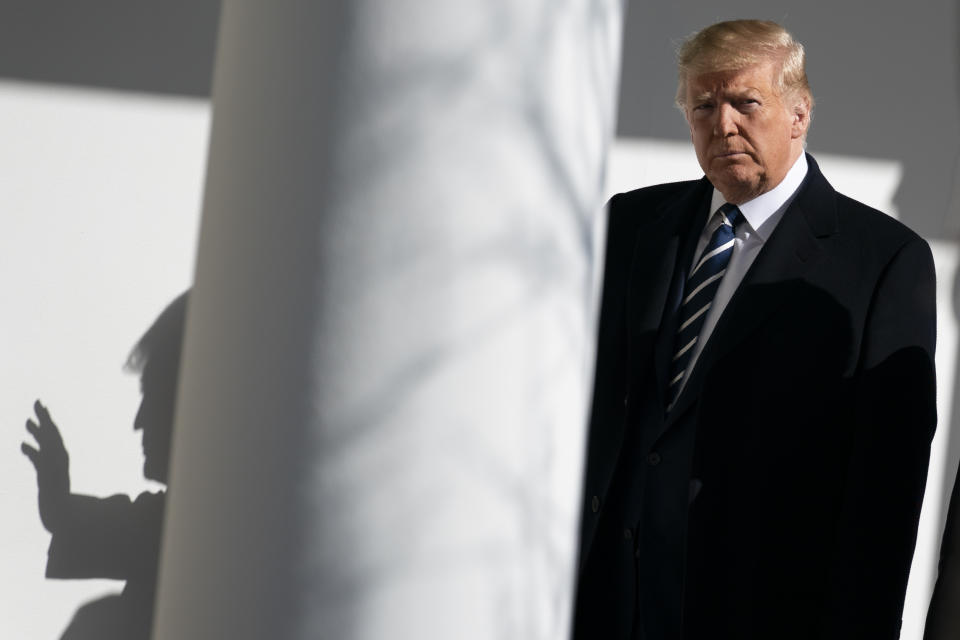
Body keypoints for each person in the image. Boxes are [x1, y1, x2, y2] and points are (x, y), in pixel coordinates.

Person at [573, 20, 936, 640]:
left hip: (758, 610)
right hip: (606, 603)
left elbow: (884, 493)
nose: (723, 125)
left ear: (799, 114)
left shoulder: (882, 261)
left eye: (746, 102)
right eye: (703, 105)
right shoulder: (633, 226)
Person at [21, 291, 188, 639]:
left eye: (152, 396)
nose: (138, 422)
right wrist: (55, 492)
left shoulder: (193, 519)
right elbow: (90, 523)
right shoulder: (172, 517)